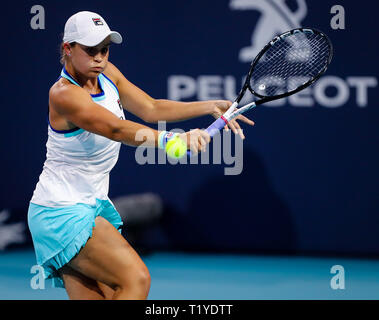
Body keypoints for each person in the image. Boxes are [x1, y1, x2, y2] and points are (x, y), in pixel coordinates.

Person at [27, 11, 254, 300]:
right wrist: (175, 140)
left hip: (86, 205)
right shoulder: (63, 94)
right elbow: (115, 128)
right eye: (90, 50)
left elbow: (151, 107)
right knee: (135, 280)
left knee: (109, 294)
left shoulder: (107, 74)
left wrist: (209, 106)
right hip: (61, 210)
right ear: (67, 49)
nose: (99, 58)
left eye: (104, 50)